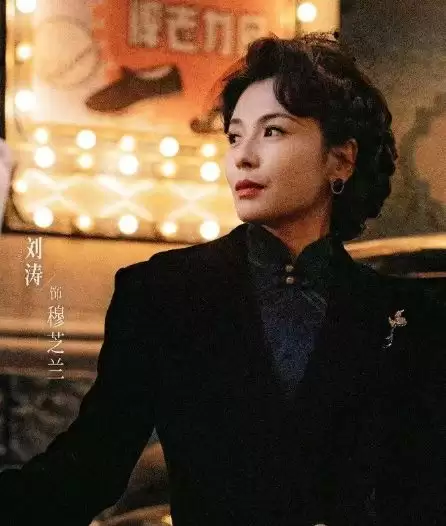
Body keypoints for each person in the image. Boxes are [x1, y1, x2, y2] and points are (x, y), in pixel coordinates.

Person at [1, 33, 445, 526]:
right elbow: (87, 469)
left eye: (272, 131)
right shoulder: (162, 292)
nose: (243, 156)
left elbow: (423, 490)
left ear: (340, 159)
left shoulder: (404, 314)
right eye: (234, 136)